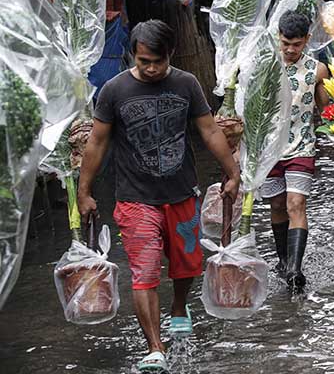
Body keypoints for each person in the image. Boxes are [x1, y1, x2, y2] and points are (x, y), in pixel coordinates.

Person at [77, 20, 240, 372]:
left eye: (158, 61)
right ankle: (155, 348)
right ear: (133, 55)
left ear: (170, 55)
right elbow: (97, 142)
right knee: (144, 272)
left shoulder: (186, 84)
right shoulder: (114, 90)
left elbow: (209, 129)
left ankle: (179, 306)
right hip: (135, 199)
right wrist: (84, 190)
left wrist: (233, 172)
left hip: (181, 194)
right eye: (143, 60)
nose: (151, 68)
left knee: (187, 265)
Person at [260, 10, 329, 292]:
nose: (290, 50)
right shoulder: (265, 67)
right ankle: (283, 259)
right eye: (285, 43)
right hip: (268, 150)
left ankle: (295, 269)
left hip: (302, 146)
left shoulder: (318, 70)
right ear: (278, 38)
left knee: (295, 205)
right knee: (277, 206)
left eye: (296, 44)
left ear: (307, 40)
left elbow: (327, 109)